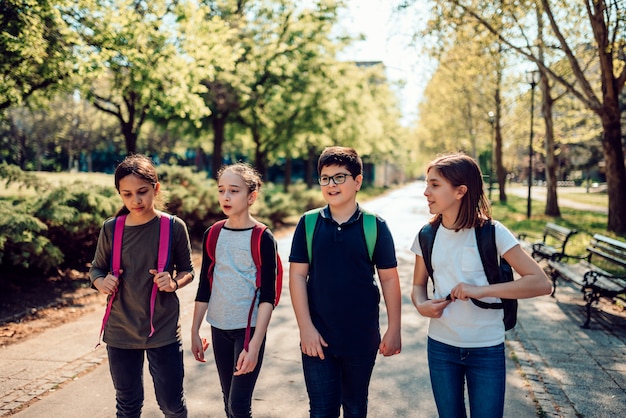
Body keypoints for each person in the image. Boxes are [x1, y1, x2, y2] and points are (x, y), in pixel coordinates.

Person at [410, 152, 552, 418]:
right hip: (441, 347)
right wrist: (421, 305)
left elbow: (542, 284)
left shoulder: (493, 232)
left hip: (487, 347)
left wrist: (481, 290)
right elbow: (418, 286)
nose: (426, 192)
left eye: (435, 185)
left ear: (460, 191)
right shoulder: (426, 235)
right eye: (427, 184)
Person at [289, 146, 402, 418]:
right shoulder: (309, 223)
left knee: (354, 407)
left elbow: (388, 280)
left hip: (361, 339)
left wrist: (394, 328)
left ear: (358, 181)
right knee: (321, 410)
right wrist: (306, 328)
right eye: (325, 178)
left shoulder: (375, 226)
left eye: (339, 177)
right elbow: (296, 276)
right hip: (318, 338)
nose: (331, 184)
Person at [90, 154, 194, 418]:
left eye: (142, 192)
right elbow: (96, 269)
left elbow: (188, 271)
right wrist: (102, 282)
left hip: (163, 329)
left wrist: (173, 283)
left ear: (156, 189)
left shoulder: (173, 227)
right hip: (120, 331)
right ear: (120, 194)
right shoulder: (111, 229)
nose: (135, 200)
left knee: (171, 405)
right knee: (127, 406)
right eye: (127, 194)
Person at [191, 162, 279, 418]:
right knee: (228, 401)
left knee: (239, 405)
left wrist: (254, 343)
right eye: (221, 190)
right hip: (218, 328)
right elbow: (205, 285)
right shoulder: (213, 234)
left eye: (234, 190)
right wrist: (195, 329)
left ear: (251, 196)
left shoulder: (263, 237)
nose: (226, 197)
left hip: (248, 331)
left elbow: (268, 296)